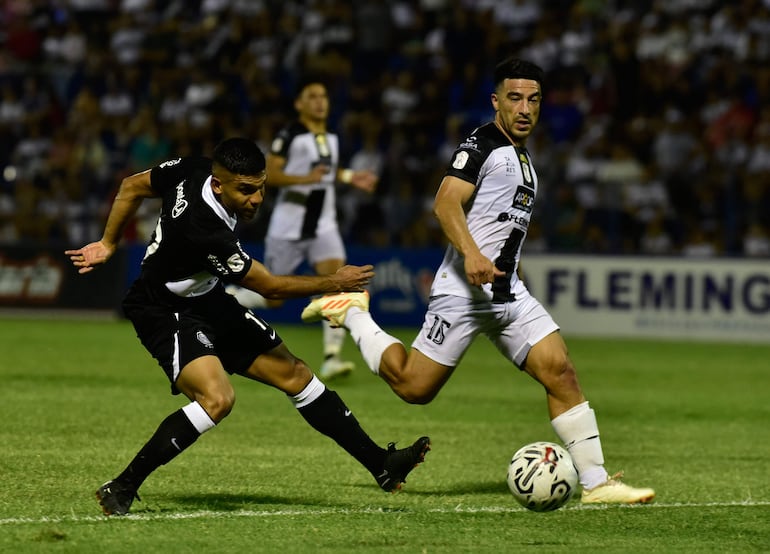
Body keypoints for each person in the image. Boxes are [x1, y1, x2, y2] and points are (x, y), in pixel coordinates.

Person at [301, 59, 655, 505]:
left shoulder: (524, 158)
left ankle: (596, 483)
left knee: (561, 372)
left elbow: (502, 230)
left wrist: (511, 276)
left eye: (533, 99)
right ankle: (352, 312)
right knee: (414, 387)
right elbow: (445, 203)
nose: (524, 108)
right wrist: (470, 254)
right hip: (463, 294)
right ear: (496, 102)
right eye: (514, 98)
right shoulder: (481, 143)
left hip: (508, 293)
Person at [65, 137, 429, 516]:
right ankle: (122, 486)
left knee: (296, 374)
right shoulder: (204, 227)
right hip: (163, 308)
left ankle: (381, 466)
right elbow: (269, 286)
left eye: (260, 187)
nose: (256, 199)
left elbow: (132, 186)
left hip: (206, 298)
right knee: (216, 399)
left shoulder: (194, 168)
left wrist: (108, 243)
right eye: (246, 191)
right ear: (219, 184)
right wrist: (333, 283)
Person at [227, 78, 378, 381]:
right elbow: (269, 174)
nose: (320, 101)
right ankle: (228, 295)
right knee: (274, 298)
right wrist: (304, 180)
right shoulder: (290, 135)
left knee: (339, 283)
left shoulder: (331, 136)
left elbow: (325, 170)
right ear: (299, 104)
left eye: (323, 96)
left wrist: (349, 177)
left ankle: (332, 357)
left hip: (323, 225)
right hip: (289, 227)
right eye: (312, 96)